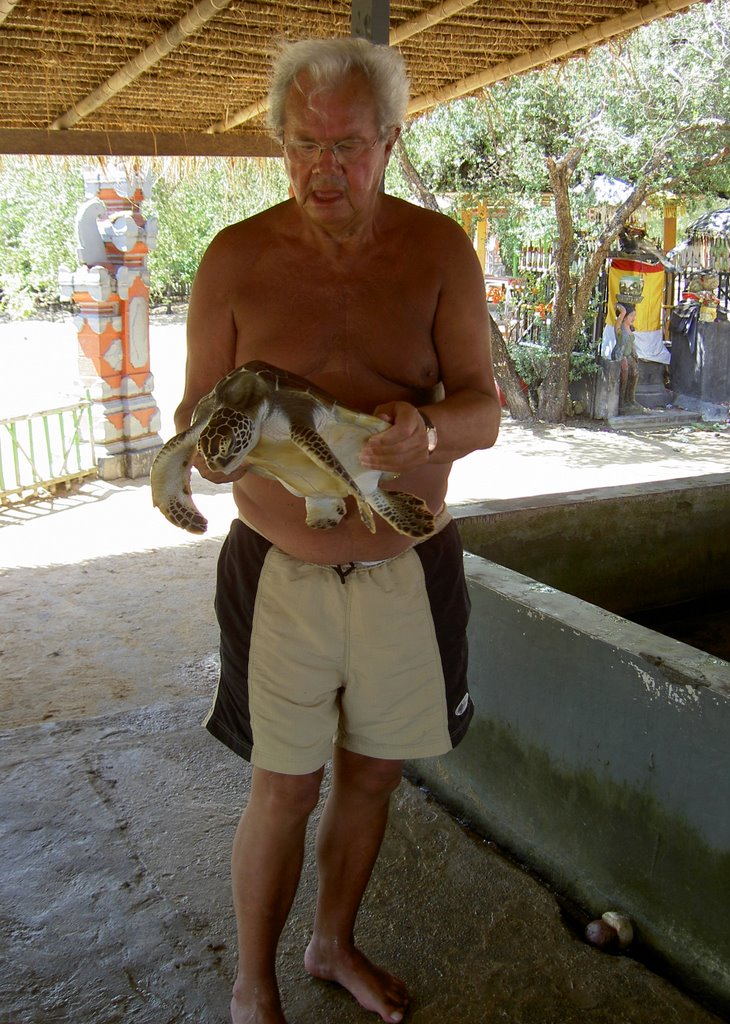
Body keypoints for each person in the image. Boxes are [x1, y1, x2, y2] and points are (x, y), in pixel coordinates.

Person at [175, 37, 500, 1024]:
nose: (326, 168)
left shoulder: (438, 249)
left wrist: (428, 429)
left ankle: (331, 943)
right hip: (284, 570)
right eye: (305, 144)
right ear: (280, 140)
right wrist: (217, 451)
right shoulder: (235, 259)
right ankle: (254, 982)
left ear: (390, 141)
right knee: (283, 784)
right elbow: (197, 425)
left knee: (372, 776)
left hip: (408, 560)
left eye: (349, 145)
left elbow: (483, 409)